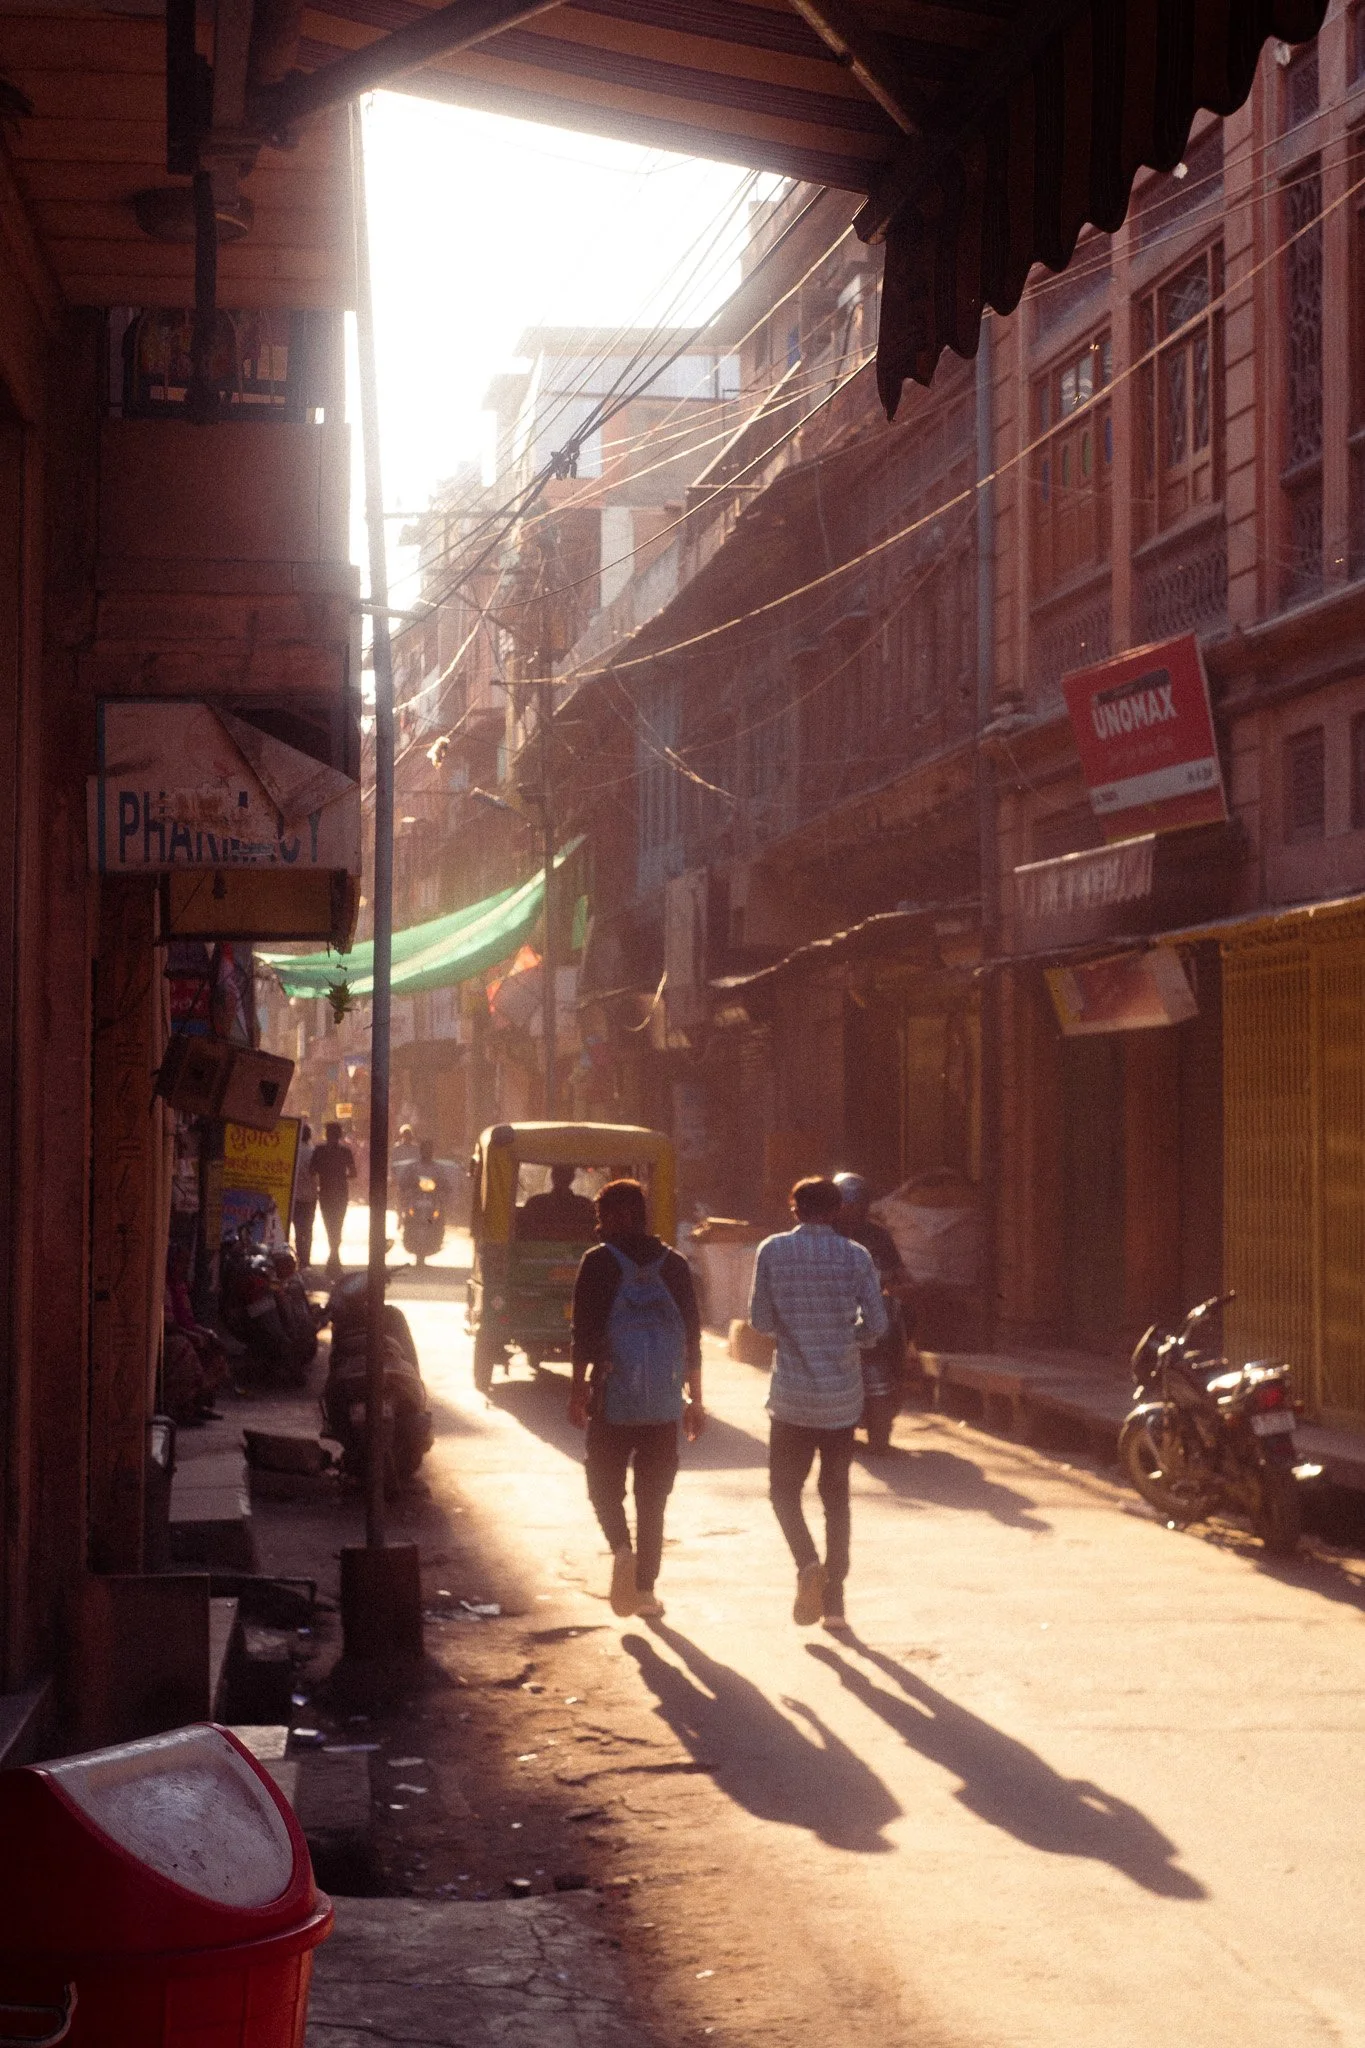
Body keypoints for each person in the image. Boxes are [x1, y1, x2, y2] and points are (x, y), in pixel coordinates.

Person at [749, 1176, 887, 1632]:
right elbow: (877, 1324)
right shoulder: (856, 1256)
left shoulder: (771, 1250)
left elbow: (761, 1320)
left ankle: (807, 1563)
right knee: (836, 1497)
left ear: (794, 1208)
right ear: (837, 1211)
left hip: (791, 1398)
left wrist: (795, 1333)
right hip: (841, 1400)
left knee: (783, 1491)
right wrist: (849, 1340)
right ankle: (835, 1604)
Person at [568, 1178, 704, 1620]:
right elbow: (693, 1338)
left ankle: (621, 1548)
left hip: (613, 1397)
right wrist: (695, 1401)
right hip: (664, 1403)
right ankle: (645, 1591)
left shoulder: (597, 1262)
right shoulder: (676, 1265)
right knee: (653, 1496)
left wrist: (577, 1393)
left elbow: (583, 1335)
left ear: (608, 1218)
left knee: (602, 1482)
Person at [832, 1170, 920, 1453]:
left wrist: (904, 1285)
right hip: (836, 1313)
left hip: (874, 1310)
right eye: (845, 1204)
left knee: (907, 1318)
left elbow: (899, 1272)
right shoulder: (826, 1234)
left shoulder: (878, 1236)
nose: (851, 1210)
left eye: (856, 1204)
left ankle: (904, 1366)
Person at [310, 1121, 356, 1278]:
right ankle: (334, 1259)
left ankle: (333, 1259)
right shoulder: (345, 1151)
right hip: (341, 1193)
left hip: (326, 1193)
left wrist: (325, 1173)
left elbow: (311, 1170)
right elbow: (353, 1173)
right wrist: (341, 1175)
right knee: (337, 1226)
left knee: (330, 1226)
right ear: (339, 1135)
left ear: (327, 1135)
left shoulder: (319, 1150)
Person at [518, 1163, 597, 1241]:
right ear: (572, 1177)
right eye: (560, 1173)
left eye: (564, 1174)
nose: (562, 1177)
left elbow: (523, 1234)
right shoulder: (583, 1205)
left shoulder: (536, 1203)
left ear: (552, 1176)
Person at [292, 1121, 316, 1271]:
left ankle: (300, 1256)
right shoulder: (313, 1151)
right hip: (310, 1196)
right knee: (308, 1228)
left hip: (295, 1197)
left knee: (298, 1228)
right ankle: (306, 1258)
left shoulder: (293, 1150)